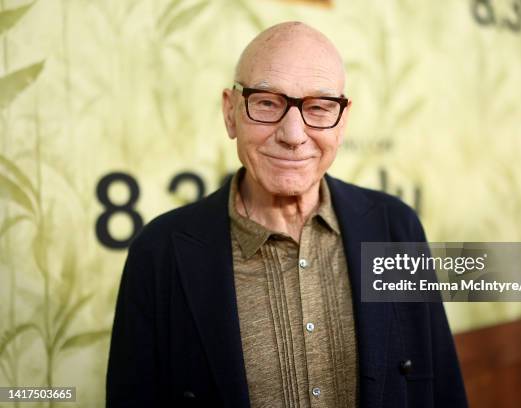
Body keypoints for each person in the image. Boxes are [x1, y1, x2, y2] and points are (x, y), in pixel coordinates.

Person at [106, 21, 467, 408]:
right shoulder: (160, 254)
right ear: (230, 112)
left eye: (319, 107)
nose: (293, 134)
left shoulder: (395, 228)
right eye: (266, 103)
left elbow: (440, 388)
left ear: (342, 122)